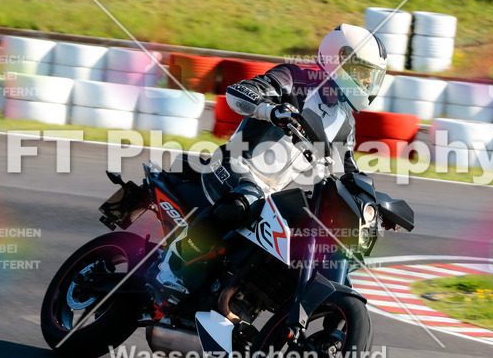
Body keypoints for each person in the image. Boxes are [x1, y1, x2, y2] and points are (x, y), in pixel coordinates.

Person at [153, 23, 388, 300]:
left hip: (272, 194)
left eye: (370, 77)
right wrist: (271, 110)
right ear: (340, 59)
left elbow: (346, 171)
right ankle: (173, 264)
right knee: (243, 203)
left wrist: (371, 205)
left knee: (297, 235)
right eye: (362, 74)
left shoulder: (345, 122)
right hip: (235, 166)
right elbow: (238, 92)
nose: (365, 84)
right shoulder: (295, 78)